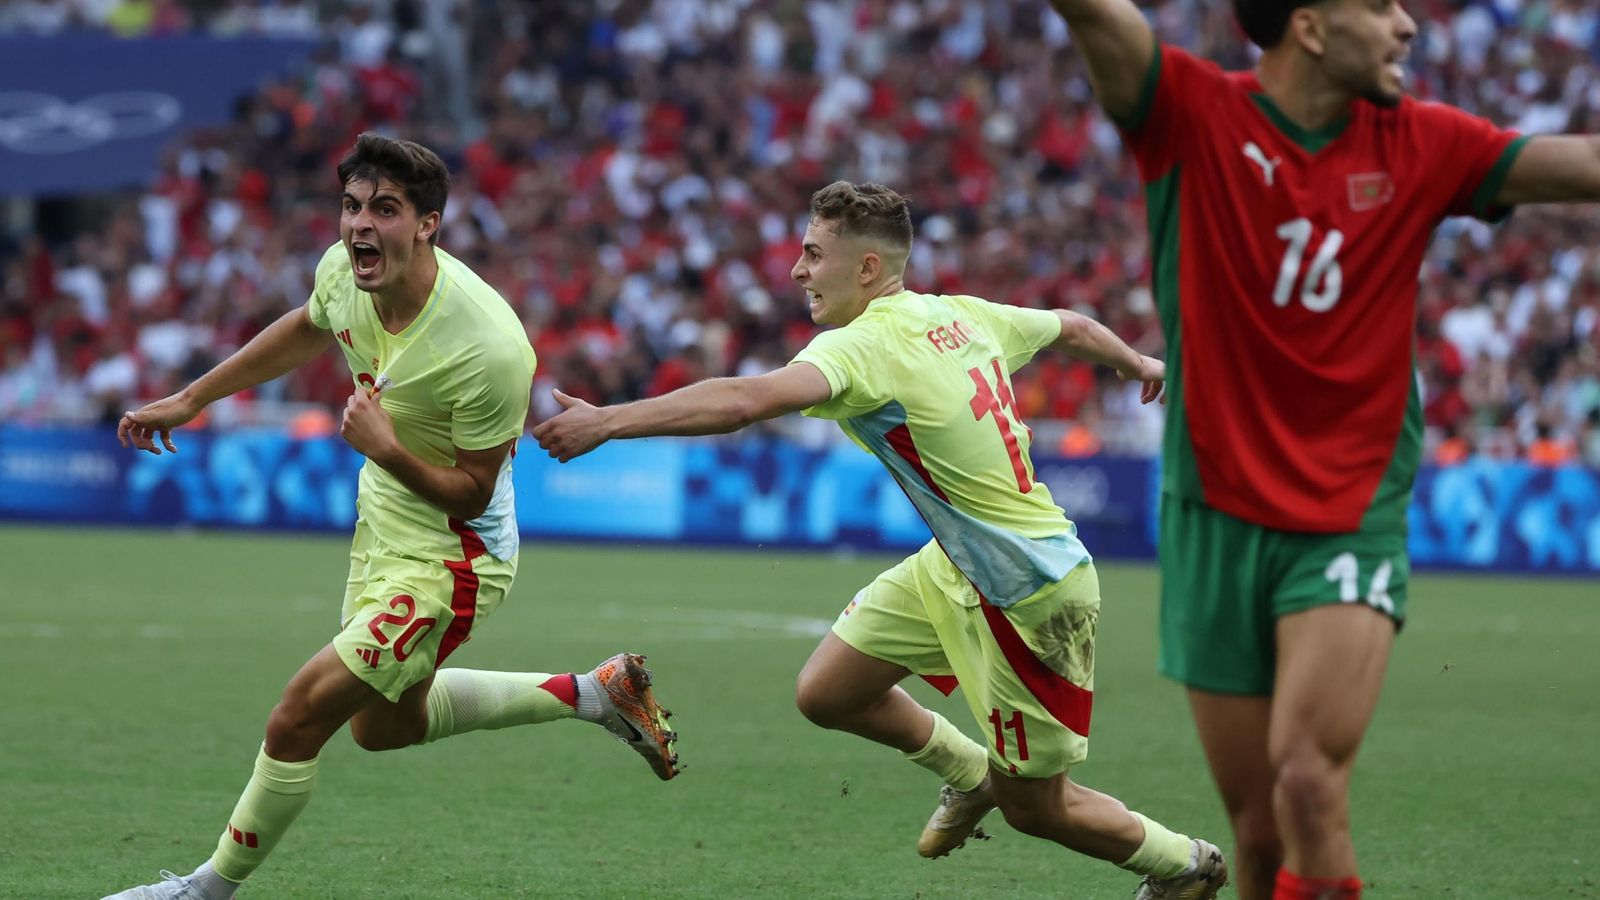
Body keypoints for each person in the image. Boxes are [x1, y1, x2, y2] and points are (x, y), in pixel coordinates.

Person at [1039, 0, 1600, 897]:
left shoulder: (1426, 141)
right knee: (1258, 835)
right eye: (1379, 5)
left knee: (1306, 778)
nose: (1406, 24)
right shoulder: (1189, 114)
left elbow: (1584, 164)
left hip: (1349, 511)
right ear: (1308, 25)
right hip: (1214, 512)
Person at [535, 181, 1229, 898]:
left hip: (1030, 593)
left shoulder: (866, 345)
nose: (798, 270)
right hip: (957, 566)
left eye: (814, 254)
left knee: (1037, 809)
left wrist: (609, 421)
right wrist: (1138, 362)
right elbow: (1071, 327)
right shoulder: (959, 314)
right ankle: (969, 775)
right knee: (828, 693)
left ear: (867, 268)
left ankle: (1186, 865)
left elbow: (745, 400)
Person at [104, 133, 679, 900]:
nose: (360, 226)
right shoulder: (343, 272)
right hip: (383, 520)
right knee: (381, 728)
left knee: (298, 717)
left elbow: (473, 494)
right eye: (351, 207)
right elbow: (310, 323)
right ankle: (595, 693)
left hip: (454, 557)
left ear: (427, 224)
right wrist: (193, 397)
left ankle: (204, 890)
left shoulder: (488, 347)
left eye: (384, 209)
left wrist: (384, 448)